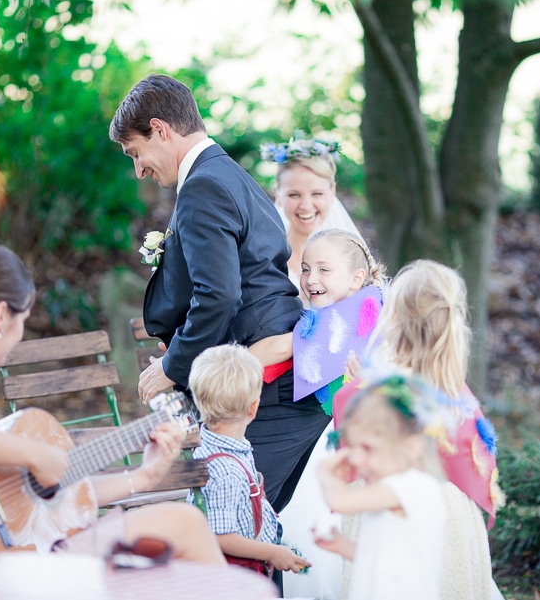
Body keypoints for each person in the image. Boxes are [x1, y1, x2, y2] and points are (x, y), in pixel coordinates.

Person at [0, 243, 224, 563]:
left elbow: (35, 501)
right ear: (0, 316)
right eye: (23, 320)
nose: (21, 332)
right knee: (185, 522)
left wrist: (143, 476)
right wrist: (36, 454)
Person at [109, 74, 330, 512]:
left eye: (136, 153)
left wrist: (171, 367)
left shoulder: (204, 186)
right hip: (282, 381)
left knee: (229, 522)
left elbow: (219, 296)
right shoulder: (228, 174)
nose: (138, 170)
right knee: (252, 527)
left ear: (160, 130)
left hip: (269, 390)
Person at [333, 259, 504, 599]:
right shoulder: (454, 387)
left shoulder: (384, 387)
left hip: (392, 507)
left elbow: (354, 445)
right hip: (452, 515)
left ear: (394, 320)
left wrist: (358, 386)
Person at [249, 229, 385, 600]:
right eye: (306, 269)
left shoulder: (360, 313)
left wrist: (198, 364)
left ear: (357, 278)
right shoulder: (355, 305)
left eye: (324, 270)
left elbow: (279, 348)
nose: (310, 280)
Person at [314, 375, 453, 600]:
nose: (356, 458)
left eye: (368, 448)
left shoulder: (406, 486)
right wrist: (344, 546)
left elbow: (338, 502)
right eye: (353, 446)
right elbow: (384, 559)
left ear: (411, 447)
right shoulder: (396, 487)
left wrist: (324, 470)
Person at [186, 344, 311, 578]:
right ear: (253, 408)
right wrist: (272, 552)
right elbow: (220, 536)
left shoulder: (214, 443)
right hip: (239, 574)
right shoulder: (225, 469)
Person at [261, 133, 364, 289]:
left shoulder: (351, 258)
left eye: (317, 193)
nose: (306, 206)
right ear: (278, 194)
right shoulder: (263, 255)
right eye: (294, 195)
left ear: (332, 192)